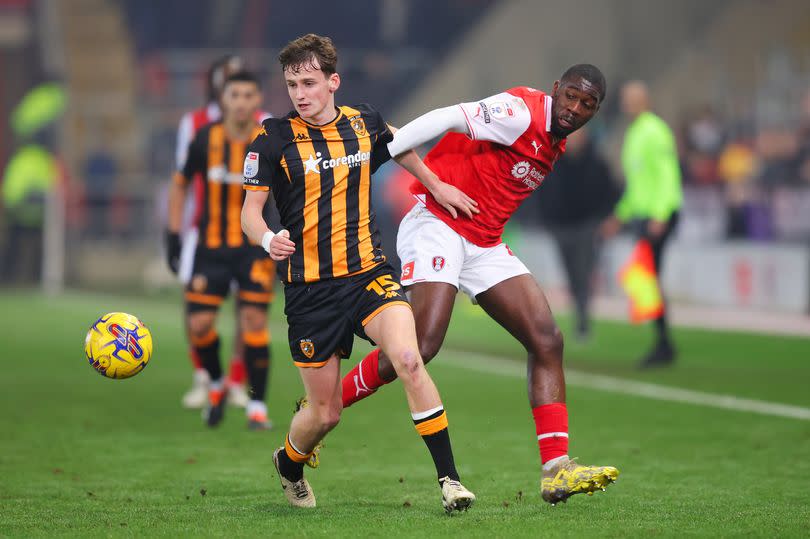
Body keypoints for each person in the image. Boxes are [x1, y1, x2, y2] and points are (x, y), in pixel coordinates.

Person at [336, 65, 620, 505]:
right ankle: (330, 402)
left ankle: (556, 469)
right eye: (571, 97)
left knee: (547, 340)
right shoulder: (521, 110)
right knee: (424, 344)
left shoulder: (556, 139)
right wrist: (391, 150)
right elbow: (447, 116)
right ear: (556, 90)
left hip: (483, 242)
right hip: (439, 224)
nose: (575, 109)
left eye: (587, 105)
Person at [241, 33, 476, 512]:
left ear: (333, 81)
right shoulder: (272, 138)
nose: (300, 94)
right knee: (325, 414)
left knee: (409, 358)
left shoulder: (364, 122)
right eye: (291, 84)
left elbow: (402, 145)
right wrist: (268, 239)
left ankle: (450, 481)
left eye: (308, 82)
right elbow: (250, 212)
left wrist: (436, 185)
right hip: (310, 292)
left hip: (368, 274)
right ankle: (289, 462)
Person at [167, 71, 275, 430]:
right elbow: (180, 184)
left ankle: (256, 405)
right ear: (223, 100)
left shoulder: (269, 139)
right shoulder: (205, 138)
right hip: (211, 247)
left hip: (254, 247)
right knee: (199, 325)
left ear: (257, 99)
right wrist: (173, 235)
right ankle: (215, 384)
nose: (242, 102)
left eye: (248, 94)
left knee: (254, 323)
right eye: (235, 95)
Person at [601, 81, 683, 368]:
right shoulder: (636, 133)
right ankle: (663, 341)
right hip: (645, 215)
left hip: (657, 216)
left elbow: (667, 175)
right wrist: (620, 215)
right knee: (646, 277)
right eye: (625, 99)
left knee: (645, 276)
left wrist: (661, 214)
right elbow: (638, 185)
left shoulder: (653, 131)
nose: (626, 104)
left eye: (631, 99)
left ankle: (663, 343)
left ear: (644, 100)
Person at [532, 128, 622, 341]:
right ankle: (579, 313)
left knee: (583, 273)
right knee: (571, 273)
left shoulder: (596, 163)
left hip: (586, 226)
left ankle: (582, 319)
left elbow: (611, 192)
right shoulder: (555, 161)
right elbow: (542, 191)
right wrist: (547, 220)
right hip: (561, 226)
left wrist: (605, 218)